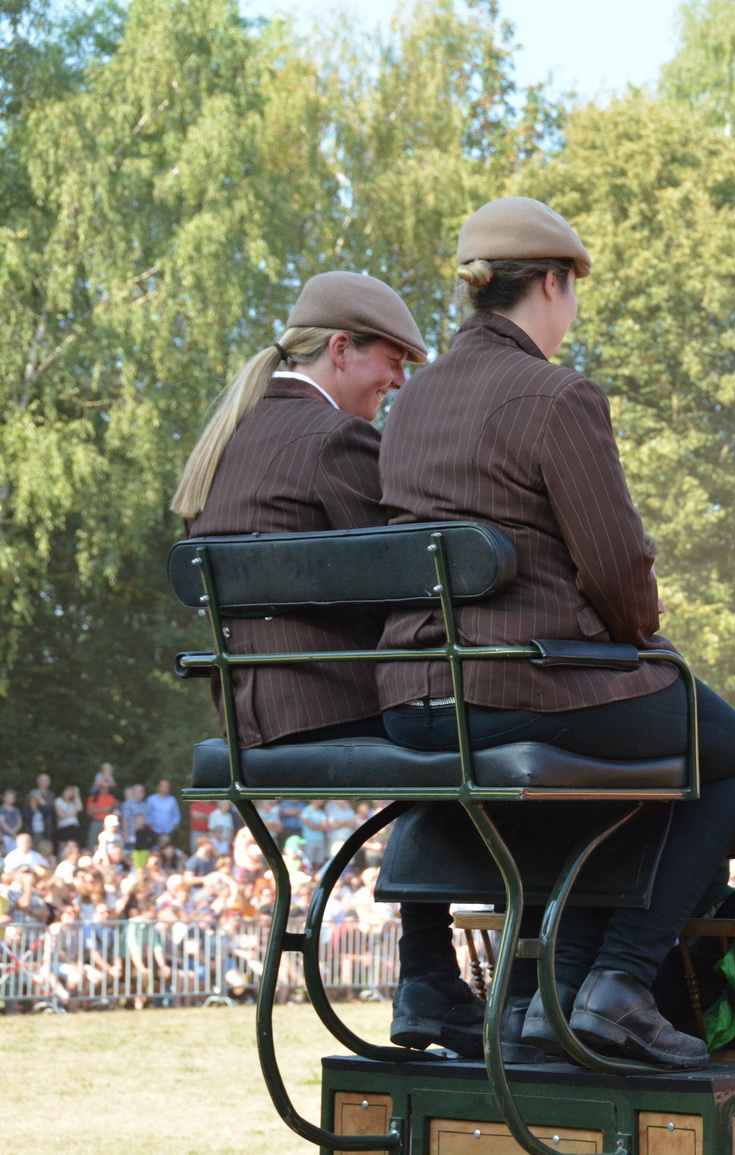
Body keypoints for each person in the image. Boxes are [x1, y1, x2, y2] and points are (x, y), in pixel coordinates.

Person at [376, 196, 735, 1068]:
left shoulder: (413, 401)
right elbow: (618, 564)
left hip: (411, 698)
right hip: (519, 684)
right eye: (573, 290)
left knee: (628, 751)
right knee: (726, 747)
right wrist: (642, 640)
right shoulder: (558, 395)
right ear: (551, 283)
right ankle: (619, 981)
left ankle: (535, 996)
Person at [169, 269, 482, 1052]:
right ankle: (504, 980)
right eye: (392, 360)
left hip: (252, 715)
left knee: (449, 732)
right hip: (325, 702)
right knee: (489, 726)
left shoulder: (236, 436)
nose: (399, 381)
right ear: (341, 349)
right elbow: (404, 587)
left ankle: (431, 975)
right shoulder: (333, 438)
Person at [86, 772, 117, 851]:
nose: (105, 789)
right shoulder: (94, 798)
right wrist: (103, 810)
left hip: (108, 825)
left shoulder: (112, 797)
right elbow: (89, 812)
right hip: (96, 822)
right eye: (103, 787)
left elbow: (115, 810)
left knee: (109, 845)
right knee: (92, 844)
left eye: (107, 788)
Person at [144, 780, 180, 850]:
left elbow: (176, 816)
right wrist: (152, 829)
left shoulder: (172, 800)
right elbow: (147, 815)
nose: (165, 788)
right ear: (158, 787)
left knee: (169, 852)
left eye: (167, 786)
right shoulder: (151, 800)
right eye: (163, 786)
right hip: (154, 833)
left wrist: (171, 831)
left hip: (169, 833)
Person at [53, 784, 83, 851]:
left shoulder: (73, 802)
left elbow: (79, 808)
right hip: (63, 826)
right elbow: (61, 815)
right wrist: (73, 813)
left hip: (73, 826)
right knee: (62, 846)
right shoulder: (58, 801)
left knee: (73, 845)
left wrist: (76, 794)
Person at [0, 789, 21, 855]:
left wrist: (14, 832)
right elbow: (2, 822)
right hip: (4, 836)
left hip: (15, 836)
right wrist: (11, 832)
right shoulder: (1, 809)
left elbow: (19, 822)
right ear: (4, 798)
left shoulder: (16, 810)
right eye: (8, 797)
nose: (10, 799)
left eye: (12, 797)